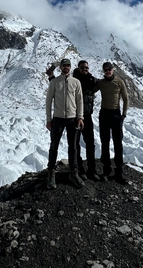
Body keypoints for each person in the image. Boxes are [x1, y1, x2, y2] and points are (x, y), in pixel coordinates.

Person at [45, 58, 85, 189]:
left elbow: (80, 101)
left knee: (73, 146)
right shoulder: (55, 82)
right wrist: (49, 119)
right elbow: (48, 101)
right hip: (57, 118)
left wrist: (80, 117)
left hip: (72, 118)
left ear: (70, 67)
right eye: (64, 65)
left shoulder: (76, 82)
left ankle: (74, 172)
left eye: (68, 65)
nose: (66, 67)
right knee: (53, 145)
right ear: (60, 67)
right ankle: (51, 174)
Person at [95, 61, 129, 184]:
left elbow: (125, 98)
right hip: (104, 114)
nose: (108, 71)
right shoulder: (101, 83)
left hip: (116, 114)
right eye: (105, 70)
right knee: (105, 142)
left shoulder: (119, 82)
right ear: (103, 71)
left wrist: (124, 114)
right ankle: (106, 170)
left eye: (109, 69)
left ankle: (118, 171)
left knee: (118, 142)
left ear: (113, 70)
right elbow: (90, 90)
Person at [72, 60, 100, 181]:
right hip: (75, 116)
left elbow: (102, 84)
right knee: (75, 144)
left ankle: (91, 170)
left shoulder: (91, 80)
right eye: (82, 67)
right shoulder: (73, 81)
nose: (85, 69)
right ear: (78, 68)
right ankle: (79, 170)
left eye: (86, 68)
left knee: (90, 144)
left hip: (87, 116)